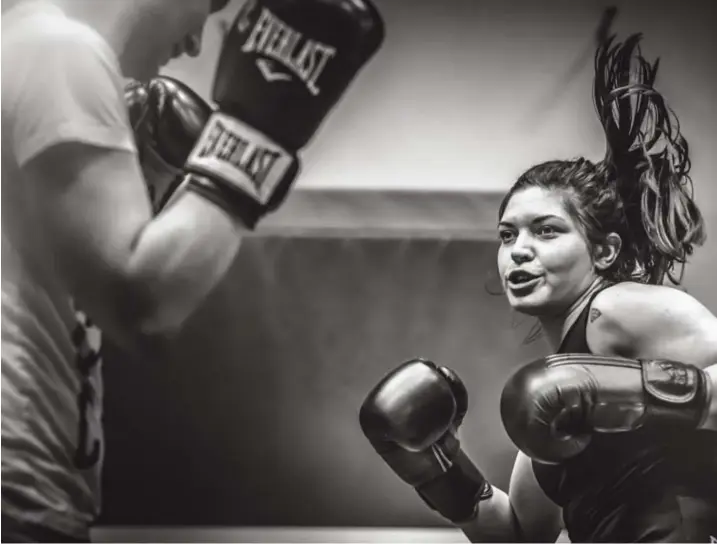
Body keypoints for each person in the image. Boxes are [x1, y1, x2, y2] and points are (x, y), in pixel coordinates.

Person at [2, 0, 384, 541]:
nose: (196, 44)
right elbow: (147, 306)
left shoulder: (24, 45)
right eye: (209, 6)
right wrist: (252, 137)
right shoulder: (58, 50)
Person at [360, 24, 717, 544]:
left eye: (547, 230)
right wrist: (438, 468)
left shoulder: (616, 309)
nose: (519, 248)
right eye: (507, 235)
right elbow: (519, 536)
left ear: (604, 251)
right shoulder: (548, 425)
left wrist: (643, 391)